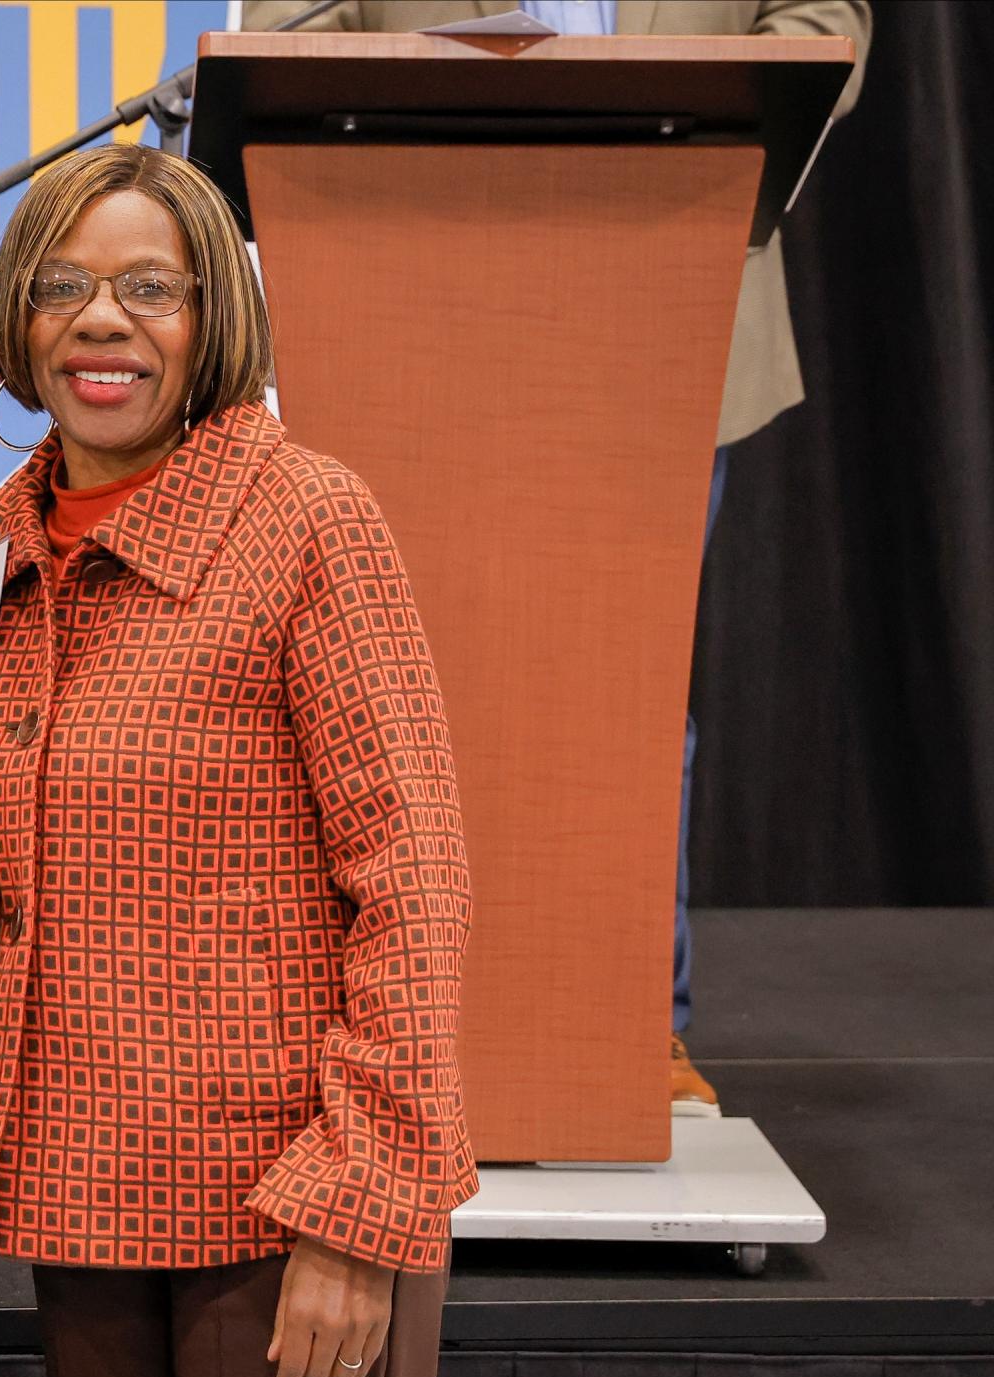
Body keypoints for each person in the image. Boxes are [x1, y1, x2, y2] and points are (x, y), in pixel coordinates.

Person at [0, 143, 475, 1377]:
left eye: (152, 287)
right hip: (80, 1190)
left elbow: (416, 883)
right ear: (19, 319)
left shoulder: (309, 520)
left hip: (284, 1209)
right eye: (63, 286)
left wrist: (357, 1214)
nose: (101, 319)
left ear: (215, 321)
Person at [241, 0, 873, 1119]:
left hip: (665, 287)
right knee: (387, 697)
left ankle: (634, 1028)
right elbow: (289, 27)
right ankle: (374, 1023)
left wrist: (669, 97)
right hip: (405, 293)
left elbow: (822, 23)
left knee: (616, 700)